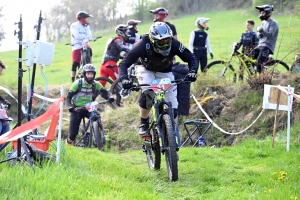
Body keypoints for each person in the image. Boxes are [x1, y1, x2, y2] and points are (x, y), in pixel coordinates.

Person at [118, 22, 198, 139]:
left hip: (165, 71)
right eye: (161, 42)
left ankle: (172, 132)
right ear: (153, 41)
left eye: (167, 41)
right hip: (145, 69)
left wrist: (193, 71)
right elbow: (123, 64)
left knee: (172, 103)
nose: (165, 45)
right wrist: (124, 79)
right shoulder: (142, 44)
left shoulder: (175, 44)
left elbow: (191, 58)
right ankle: (144, 124)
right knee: (149, 92)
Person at [65, 64, 114, 145]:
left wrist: (111, 96)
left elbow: (106, 92)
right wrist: (70, 106)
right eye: (88, 74)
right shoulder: (77, 84)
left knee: (96, 116)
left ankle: (99, 136)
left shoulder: (96, 84)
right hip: (77, 109)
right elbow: (68, 98)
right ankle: (68, 144)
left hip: (89, 107)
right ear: (84, 74)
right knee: (72, 136)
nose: (90, 76)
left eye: (92, 74)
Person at [250, 5, 278, 74]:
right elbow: (259, 36)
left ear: (268, 13)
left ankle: (262, 80)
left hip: (268, 46)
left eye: (263, 13)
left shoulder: (273, 23)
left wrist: (262, 31)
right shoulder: (263, 22)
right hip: (261, 45)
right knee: (249, 58)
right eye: (261, 13)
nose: (261, 15)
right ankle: (254, 74)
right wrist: (259, 32)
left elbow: (271, 34)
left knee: (259, 63)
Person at [70, 11, 93, 82]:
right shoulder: (74, 26)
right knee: (75, 63)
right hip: (76, 45)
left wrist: (84, 38)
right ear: (81, 18)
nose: (86, 20)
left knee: (89, 51)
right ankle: (73, 80)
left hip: (85, 44)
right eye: (85, 18)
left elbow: (90, 36)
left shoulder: (87, 26)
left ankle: (89, 66)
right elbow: (76, 36)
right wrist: (85, 36)